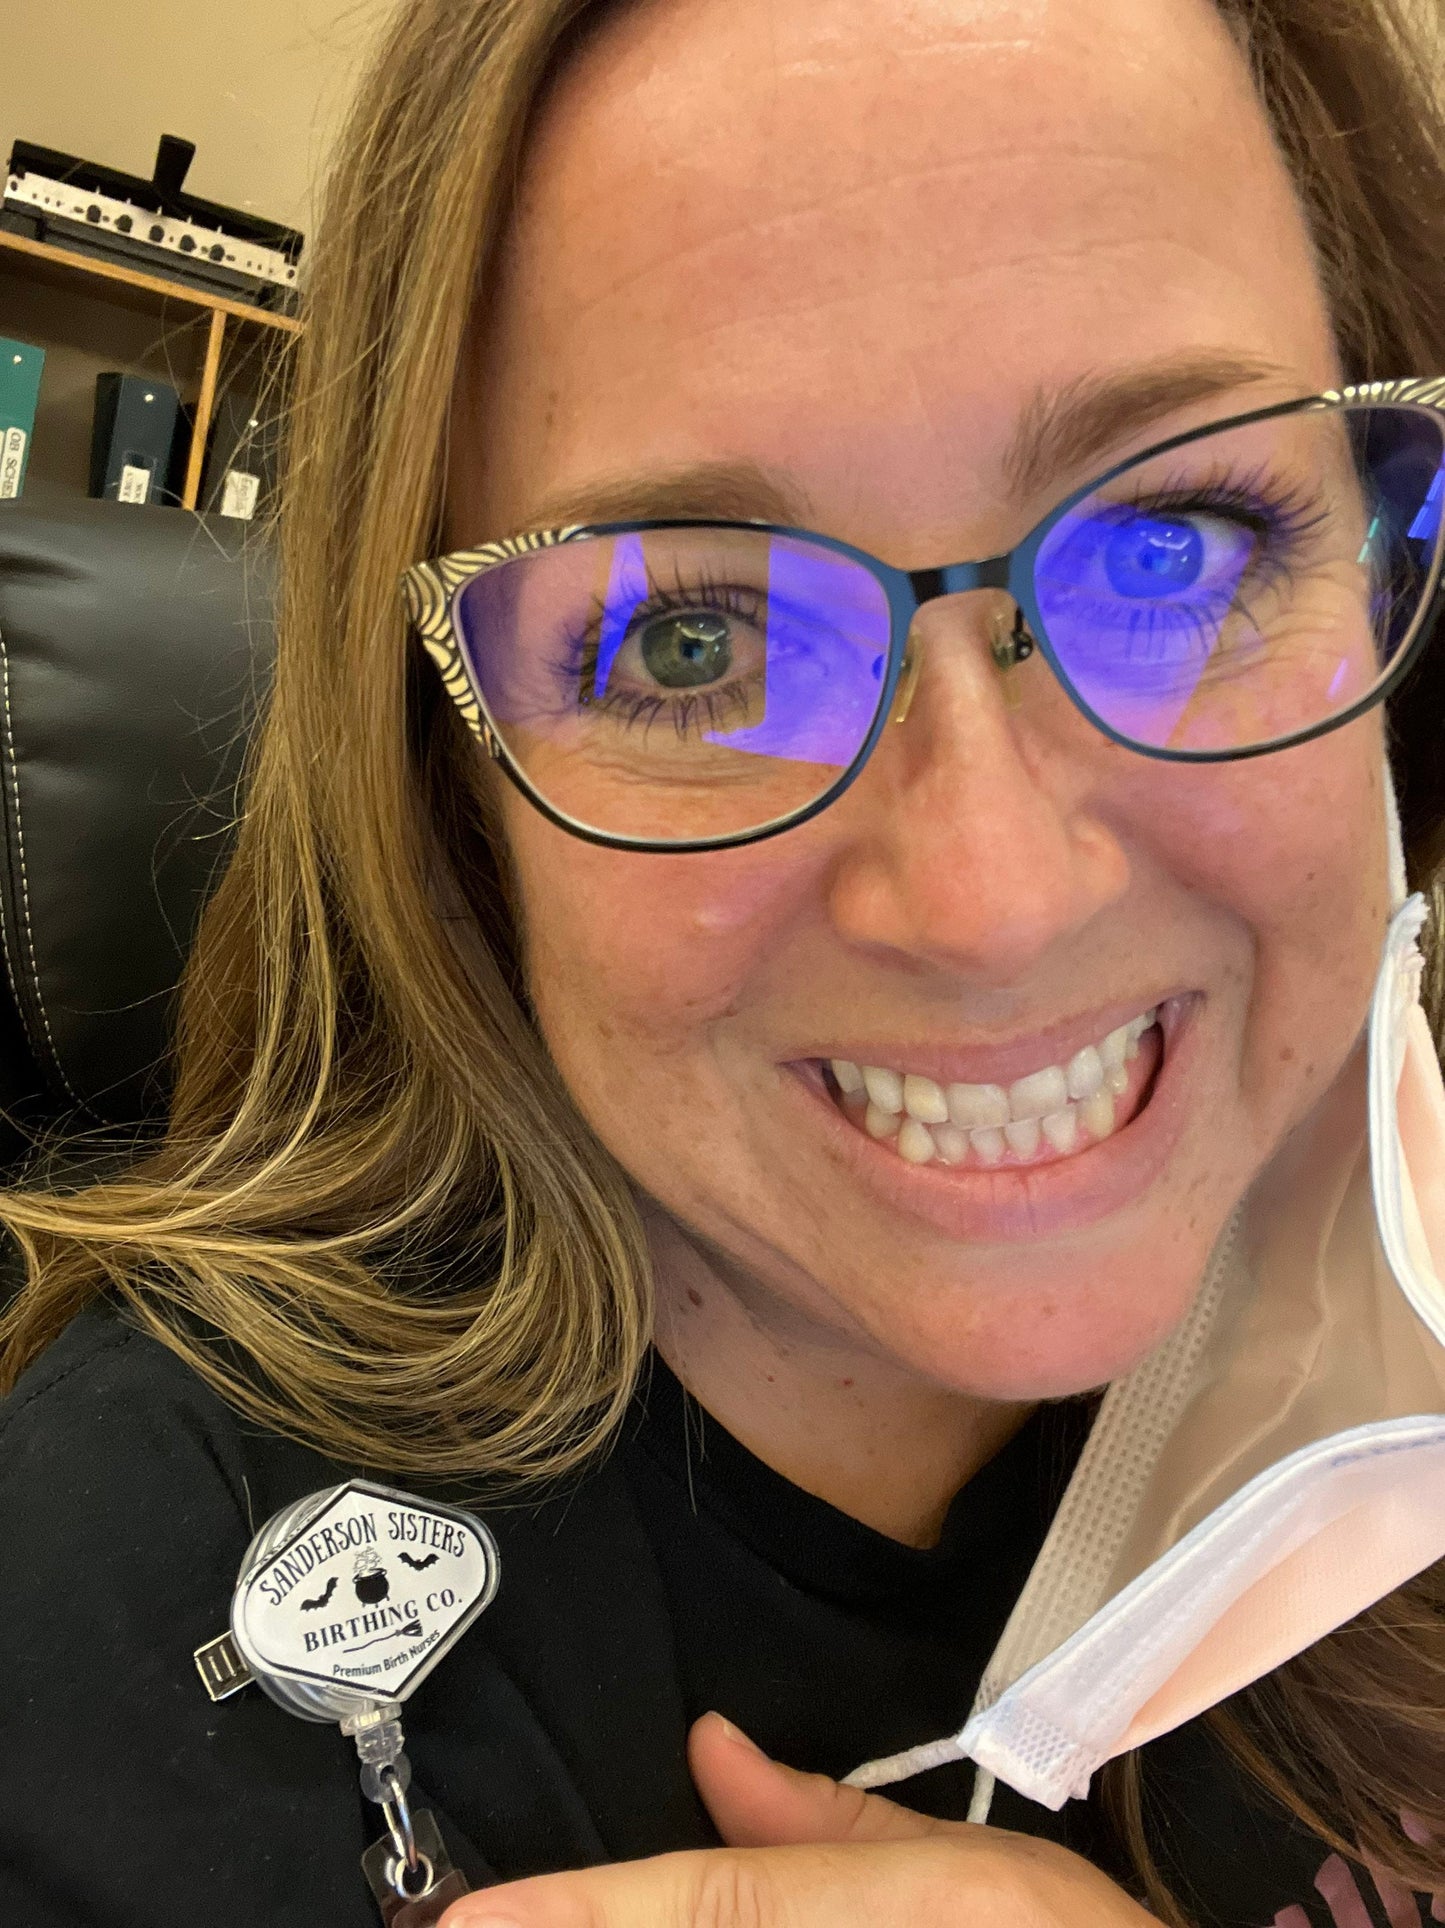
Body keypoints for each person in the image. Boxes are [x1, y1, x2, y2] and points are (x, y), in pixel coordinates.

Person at [3, 0, 1445, 1923]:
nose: (994, 900)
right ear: (447, 776)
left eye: (1171, 547)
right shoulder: (106, 1652)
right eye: (693, 643)